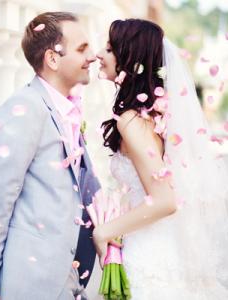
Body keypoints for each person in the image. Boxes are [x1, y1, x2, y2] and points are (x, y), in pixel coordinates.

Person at [94, 18, 228, 299]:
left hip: (148, 252)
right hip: (162, 242)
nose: (98, 54)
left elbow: (166, 200)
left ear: (128, 57)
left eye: (109, 48)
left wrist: (105, 231)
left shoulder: (131, 120)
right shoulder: (155, 117)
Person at [0, 12, 101, 300]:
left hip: (64, 279)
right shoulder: (25, 108)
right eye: (82, 48)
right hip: (31, 283)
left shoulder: (65, 109)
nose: (92, 56)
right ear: (52, 59)